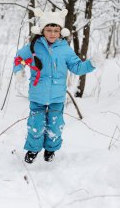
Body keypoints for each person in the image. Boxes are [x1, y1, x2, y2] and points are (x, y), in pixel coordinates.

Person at [13, 8, 103, 163]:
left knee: (55, 125)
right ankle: (33, 150)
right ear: (42, 30)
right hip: (38, 95)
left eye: (56, 30)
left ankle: (50, 150)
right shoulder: (34, 46)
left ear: (61, 31)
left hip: (57, 97)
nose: (52, 33)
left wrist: (92, 63)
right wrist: (19, 71)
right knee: (36, 125)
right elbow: (19, 58)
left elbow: (77, 67)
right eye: (49, 30)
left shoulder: (64, 49)